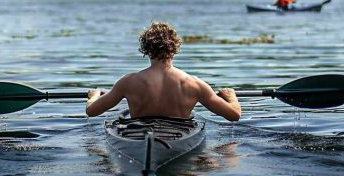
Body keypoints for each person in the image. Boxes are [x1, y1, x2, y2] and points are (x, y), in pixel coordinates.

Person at [86, 22, 241, 121]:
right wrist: (232, 98)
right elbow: (234, 115)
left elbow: (91, 111)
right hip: (177, 138)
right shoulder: (194, 84)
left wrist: (93, 97)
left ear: (146, 50)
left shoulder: (128, 82)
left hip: (138, 136)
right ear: (174, 49)